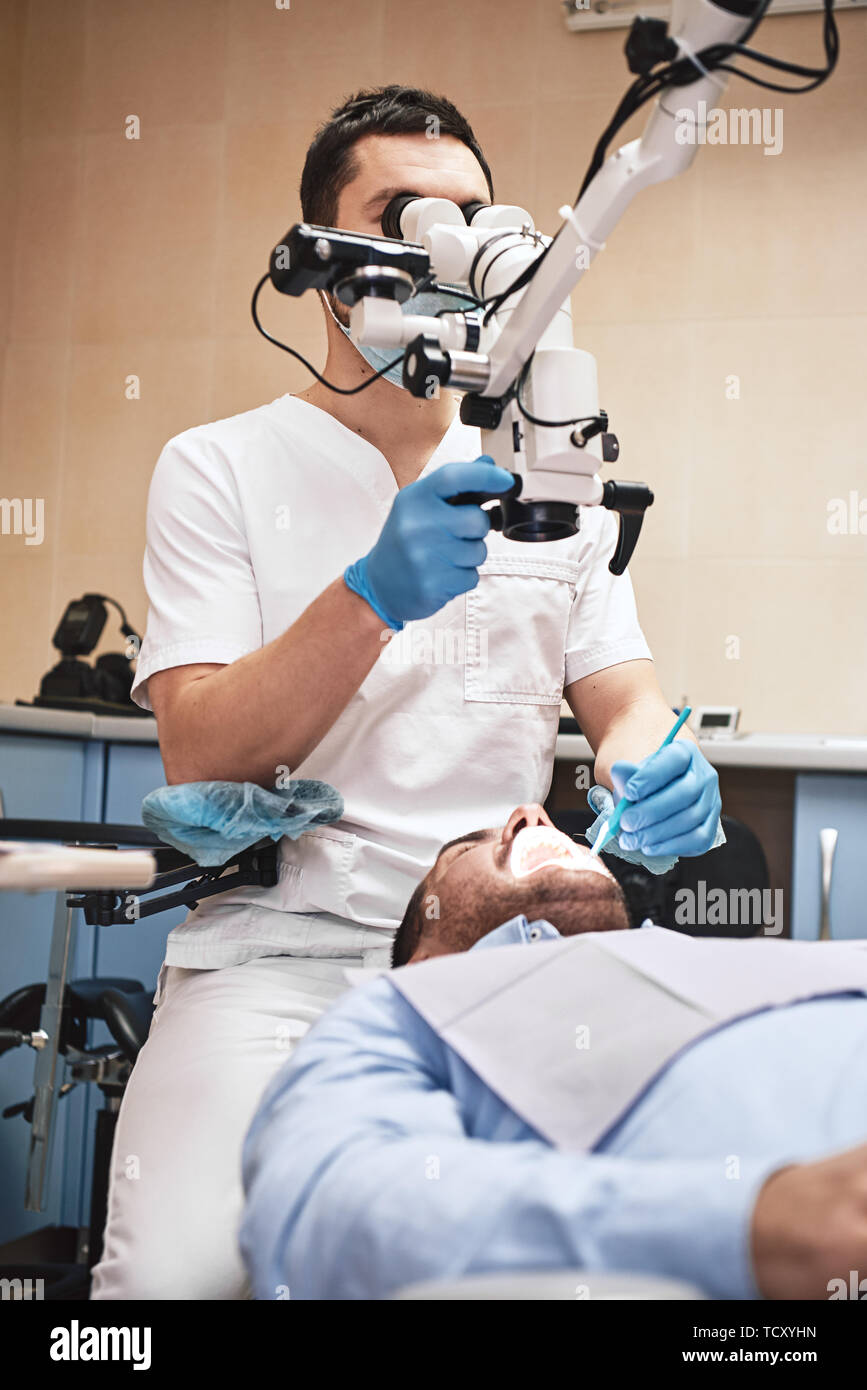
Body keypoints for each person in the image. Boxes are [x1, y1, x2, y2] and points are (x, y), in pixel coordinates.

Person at [91, 86, 720, 1299]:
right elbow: (200, 753)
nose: (456, 241)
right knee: (176, 1287)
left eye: (474, 213)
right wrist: (369, 593)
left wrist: (654, 767)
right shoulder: (218, 467)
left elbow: (625, 699)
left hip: (502, 958)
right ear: (325, 264)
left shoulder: (546, 473)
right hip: (277, 956)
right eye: (409, 211)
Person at [240, 805, 867, 1301]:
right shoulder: (407, 1007)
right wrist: (750, 1225)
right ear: (428, 955)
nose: (532, 816)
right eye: (465, 851)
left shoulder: (760, 953)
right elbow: (328, 1210)